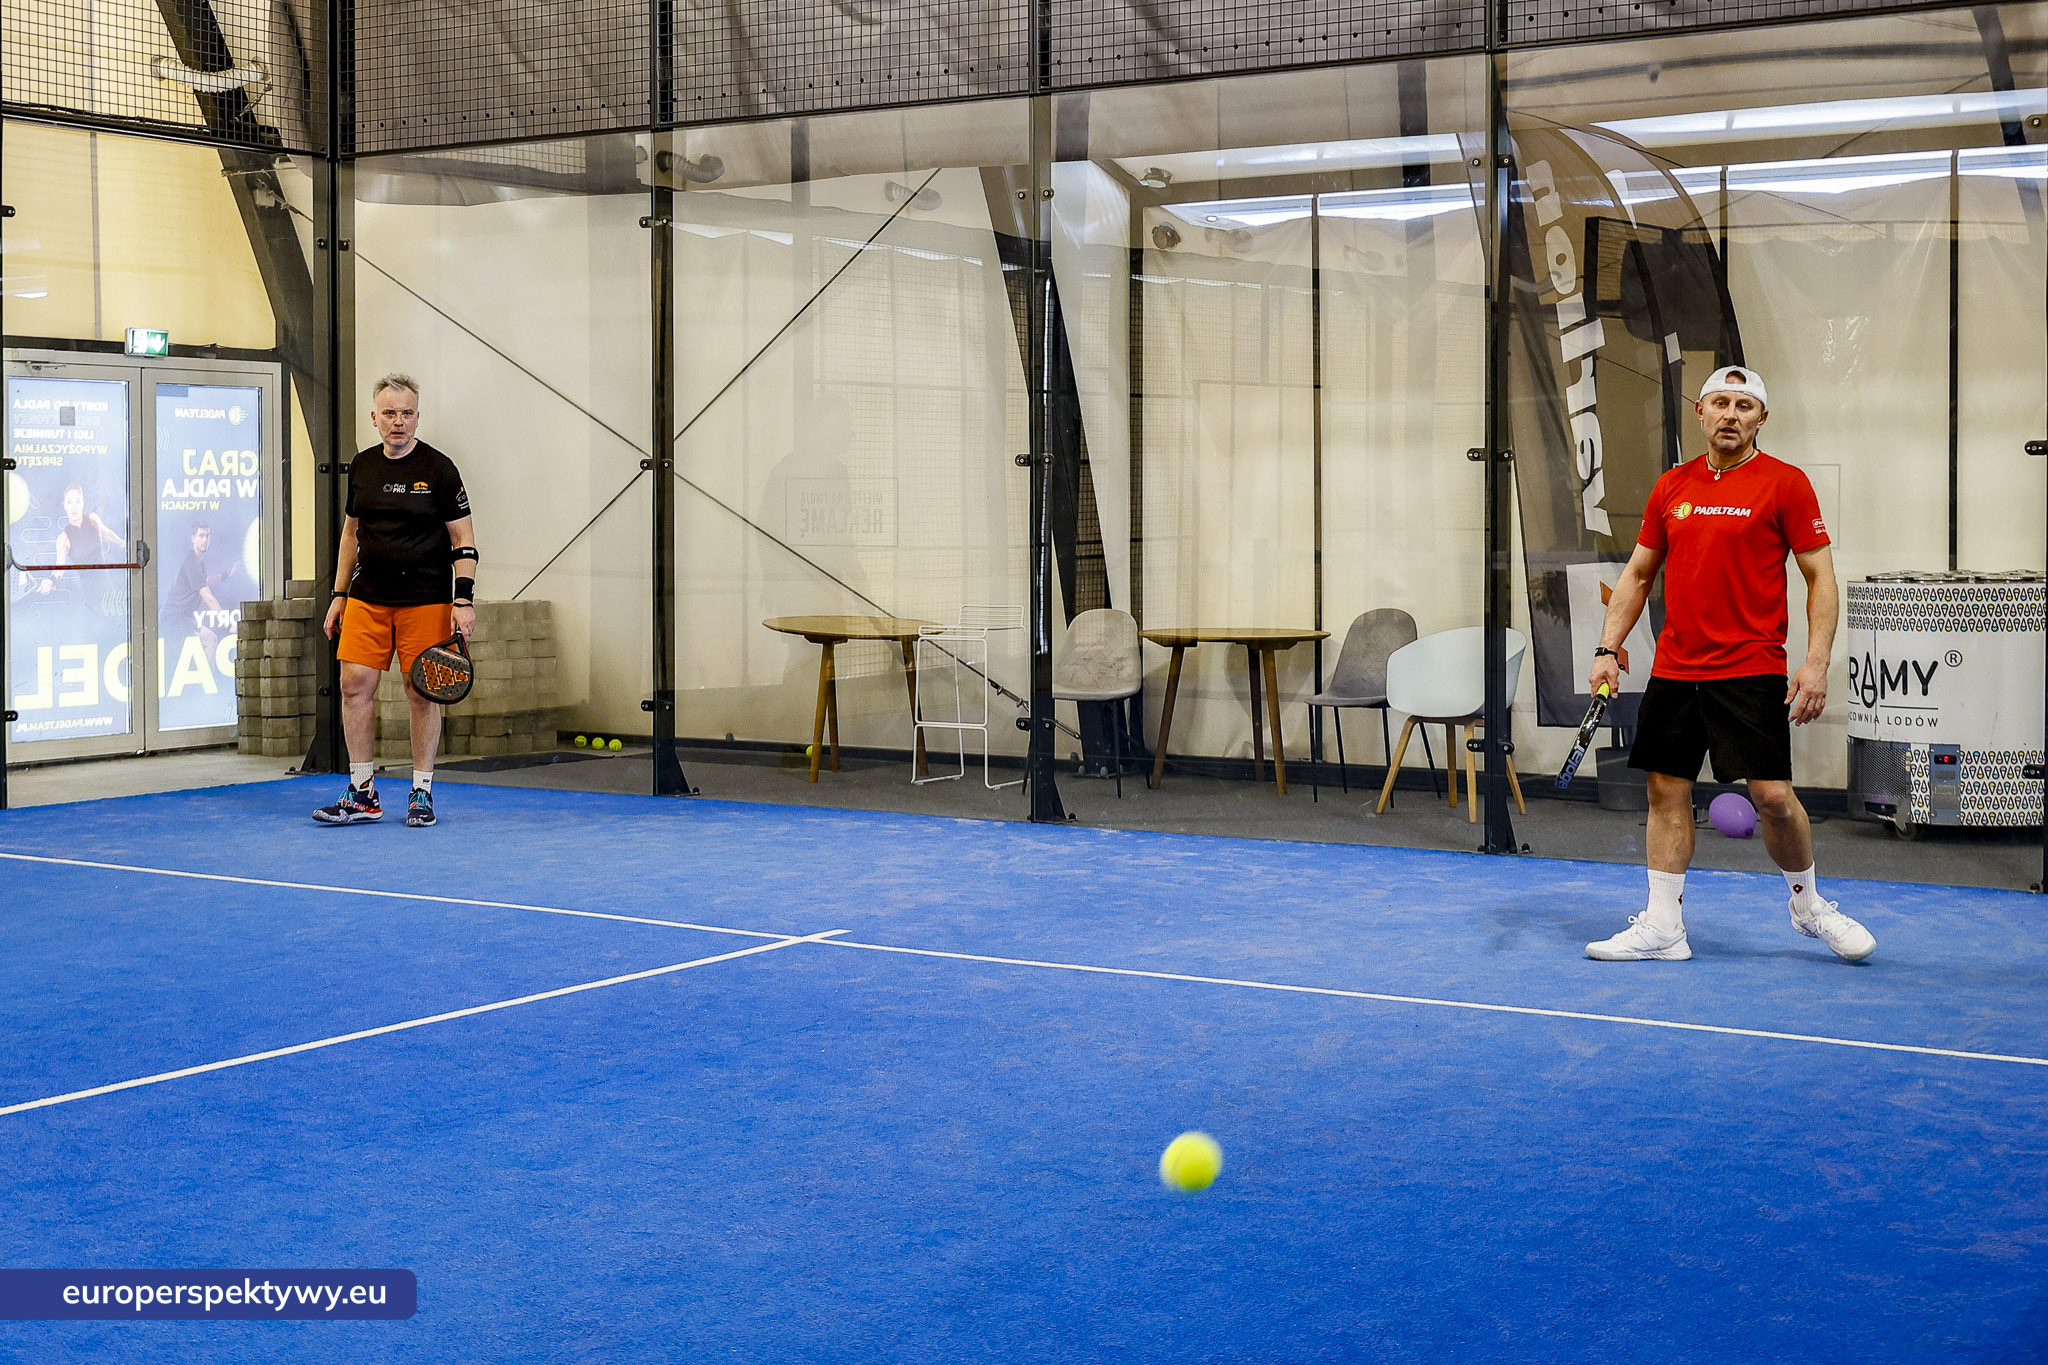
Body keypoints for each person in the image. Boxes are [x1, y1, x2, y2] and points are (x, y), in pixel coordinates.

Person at [1584, 365, 1874, 964]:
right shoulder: (1671, 487)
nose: (1730, 415)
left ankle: (1809, 907)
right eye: (1720, 403)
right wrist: (1607, 649)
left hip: (1750, 666)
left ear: (1760, 419)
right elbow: (1638, 574)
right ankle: (1664, 927)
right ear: (1701, 411)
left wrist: (1816, 662)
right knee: (1665, 792)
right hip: (1676, 667)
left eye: (1744, 406)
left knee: (1771, 796)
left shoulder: (1786, 484)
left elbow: (1820, 578)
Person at [316, 374, 477, 829]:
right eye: (389, 413)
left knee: (421, 693)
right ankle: (363, 792)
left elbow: (463, 540)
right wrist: (339, 595)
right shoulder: (362, 467)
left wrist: (462, 602)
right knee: (354, 687)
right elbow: (351, 535)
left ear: (417, 417)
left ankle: (421, 793)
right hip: (368, 598)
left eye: (407, 413)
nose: (398, 422)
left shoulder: (440, 469)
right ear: (374, 418)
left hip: (425, 599)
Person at [161, 521, 240, 654]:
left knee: (210, 639)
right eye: (201, 536)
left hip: (184, 617)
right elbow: (208, 599)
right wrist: (228, 624)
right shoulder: (191, 563)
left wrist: (225, 575)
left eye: (207, 536)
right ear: (193, 538)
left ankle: (207, 674)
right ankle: (208, 675)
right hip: (173, 618)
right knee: (210, 639)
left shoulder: (199, 562)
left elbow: (205, 581)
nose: (205, 540)